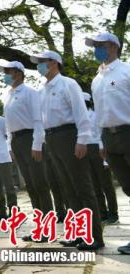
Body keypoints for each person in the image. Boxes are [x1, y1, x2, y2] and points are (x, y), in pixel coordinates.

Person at [31, 50, 104, 251]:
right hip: (52, 139)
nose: (39, 66)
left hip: (69, 136)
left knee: (83, 187)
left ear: (54, 63)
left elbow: (81, 114)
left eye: (42, 62)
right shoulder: (42, 90)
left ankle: (95, 236)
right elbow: (40, 121)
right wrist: (39, 143)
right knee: (68, 189)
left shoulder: (68, 84)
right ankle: (80, 233)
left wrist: (82, 140)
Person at [0, 60, 56, 241]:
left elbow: (38, 120)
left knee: (40, 184)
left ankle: (48, 228)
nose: (6, 74)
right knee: (30, 186)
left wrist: (37, 144)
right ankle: (39, 228)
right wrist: (10, 146)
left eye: (8, 71)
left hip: (30, 138)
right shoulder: (6, 95)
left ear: (18, 73)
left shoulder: (31, 93)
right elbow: (8, 124)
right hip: (17, 141)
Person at [87, 32, 130, 254]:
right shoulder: (97, 79)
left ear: (113, 46)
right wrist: (101, 142)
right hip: (108, 138)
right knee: (128, 187)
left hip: (128, 132)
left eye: (100, 45)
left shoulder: (126, 71)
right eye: (95, 46)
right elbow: (99, 113)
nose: (96, 50)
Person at [82, 91, 118, 225]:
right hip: (86, 150)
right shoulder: (79, 118)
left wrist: (104, 155)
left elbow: (102, 133)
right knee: (94, 184)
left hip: (98, 149)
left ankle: (113, 213)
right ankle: (102, 212)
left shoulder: (96, 115)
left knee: (106, 184)